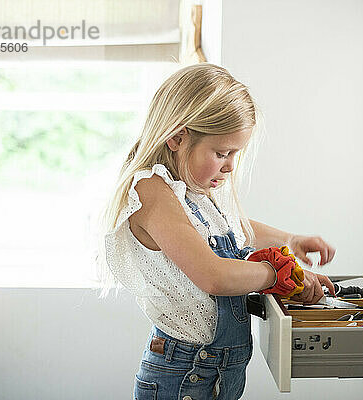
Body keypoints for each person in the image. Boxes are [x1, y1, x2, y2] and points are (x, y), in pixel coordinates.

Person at [97, 63, 336, 400]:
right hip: (184, 374)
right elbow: (213, 276)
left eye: (235, 154)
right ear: (178, 137)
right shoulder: (152, 191)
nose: (230, 165)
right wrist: (276, 273)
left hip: (218, 369)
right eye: (222, 152)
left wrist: (289, 242)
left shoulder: (191, 191)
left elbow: (232, 229)